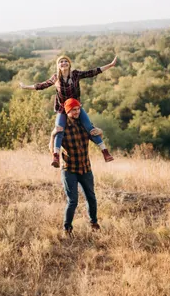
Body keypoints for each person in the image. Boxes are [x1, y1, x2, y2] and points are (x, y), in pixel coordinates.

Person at [19, 54, 116, 167]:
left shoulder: (75, 74)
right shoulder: (55, 78)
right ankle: (56, 156)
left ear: (69, 64)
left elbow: (93, 72)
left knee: (90, 128)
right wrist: (25, 87)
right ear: (58, 65)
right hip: (63, 109)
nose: (64, 63)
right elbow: (41, 86)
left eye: (66, 61)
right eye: (61, 62)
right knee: (59, 130)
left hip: (75, 106)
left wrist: (110, 65)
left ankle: (105, 152)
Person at [54, 97, 102, 237]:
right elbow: (52, 149)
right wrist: (52, 135)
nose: (77, 112)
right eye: (73, 110)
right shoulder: (62, 128)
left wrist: (100, 131)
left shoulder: (84, 125)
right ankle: (67, 228)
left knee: (91, 198)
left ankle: (93, 223)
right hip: (69, 169)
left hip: (85, 168)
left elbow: (96, 137)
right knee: (73, 201)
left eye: (78, 109)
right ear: (67, 111)